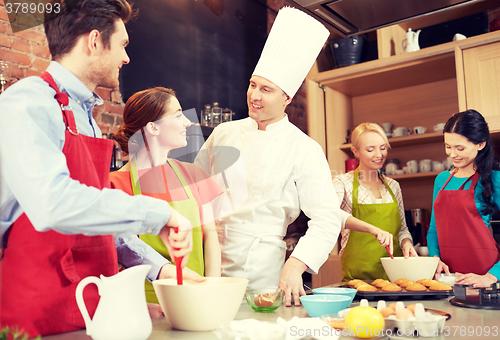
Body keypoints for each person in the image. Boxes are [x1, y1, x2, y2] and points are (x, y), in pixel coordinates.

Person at [0, 0, 191, 337]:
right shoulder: (27, 102)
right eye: (122, 44)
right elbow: (53, 204)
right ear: (93, 41)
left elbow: (97, 225)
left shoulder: (85, 117)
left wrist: (159, 270)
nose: (126, 58)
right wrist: (158, 213)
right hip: (34, 314)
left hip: (89, 307)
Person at [194, 7, 376, 306]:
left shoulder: (304, 148)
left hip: (262, 265)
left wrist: (297, 264)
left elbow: (327, 217)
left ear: (287, 98)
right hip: (207, 257)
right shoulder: (224, 132)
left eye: (266, 89)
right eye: (253, 85)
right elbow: (193, 189)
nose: (255, 95)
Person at [110, 87, 223, 303]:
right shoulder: (114, 184)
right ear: (153, 127)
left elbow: (211, 239)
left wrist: (212, 290)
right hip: (144, 303)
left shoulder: (194, 175)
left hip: (197, 296)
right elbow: (119, 253)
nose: (187, 123)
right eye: (179, 115)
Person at [333, 123, 417, 281]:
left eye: (383, 148)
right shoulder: (342, 183)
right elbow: (331, 214)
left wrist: (406, 243)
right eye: (370, 149)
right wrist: (373, 229)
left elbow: (402, 229)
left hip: (395, 277)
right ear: (355, 151)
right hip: (358, 278)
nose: (379, 155)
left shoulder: (393, 186)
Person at [427, 109, 500, 288]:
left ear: (480, 144)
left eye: (460, 148)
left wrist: (491, 277)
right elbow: (434, 230)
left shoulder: (494, 179)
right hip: (448, 279)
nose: (452, 154)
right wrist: (434, 259)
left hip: (485, 280)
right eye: (448, 146)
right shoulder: (442, 180)